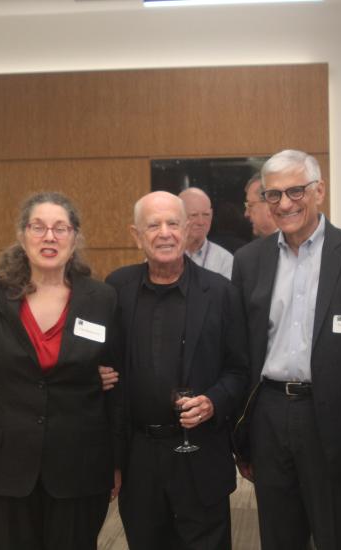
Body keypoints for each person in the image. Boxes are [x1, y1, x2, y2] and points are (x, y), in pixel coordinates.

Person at [232, 149, 341, 550]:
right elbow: (241, 354)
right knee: (278, 537)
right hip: (269, 416)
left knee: (337, 535)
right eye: (273, 194)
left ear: (319, 190)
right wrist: (242, 436)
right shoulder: (248, 261)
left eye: (296, 191)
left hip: (334, 421)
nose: (285, 204)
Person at [0, 192, 119, 550]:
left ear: (74, 237)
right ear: (22, 235)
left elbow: (114, 374)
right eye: (38, 227)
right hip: (2, 466)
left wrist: (117, 461)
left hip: (79, 465)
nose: (49, 237)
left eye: (60, 228)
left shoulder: (101, 298)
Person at [106, 191, 248, 550]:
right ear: (136, 235)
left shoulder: (221, 293)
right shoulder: (117, 289)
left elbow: (240, 371)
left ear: (187, 230)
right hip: (139, 457)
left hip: (200, 453)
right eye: (153, 225)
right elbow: (105, 361)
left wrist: (213, 402)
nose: (165, 233)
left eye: (173, 223)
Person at [179, 187, 234, 279]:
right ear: (179, 216)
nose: (201, 222)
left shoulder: (225, 260)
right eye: (194, 215)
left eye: (206, 215)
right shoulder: (165, 255)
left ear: (211, 215)